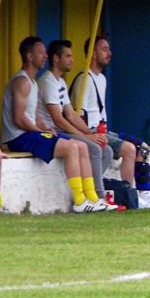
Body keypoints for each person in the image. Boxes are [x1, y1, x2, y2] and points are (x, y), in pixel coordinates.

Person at [1, 36, 108, 213]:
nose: (45, 56)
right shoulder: (21, 81)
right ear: (29, 57)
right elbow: (19, 119)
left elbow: (33, 114)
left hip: (30, 133)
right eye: (41, 53)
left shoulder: (33, 82)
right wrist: (39, 130)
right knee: (72, 148)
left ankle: (93, 198)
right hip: (18, 136)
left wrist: (44, 128)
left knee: (81, 146)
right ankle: (80, 201)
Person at [71, 34, 150, 208]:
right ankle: (129, 193)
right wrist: (90, 134)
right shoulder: (83, 79)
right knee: (129, 150)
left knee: (143, 147)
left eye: (109, 49)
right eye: (104, 49)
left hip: (105, 130)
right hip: (93, 131)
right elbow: (78, 114)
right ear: (93, 54)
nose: (109, 53)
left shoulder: (102, 78)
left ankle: (144, 193)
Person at [37, 40, 118, 210]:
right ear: (55, 58)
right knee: (94, 148)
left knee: (107, 150)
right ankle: (96, 197)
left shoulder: (60, 82)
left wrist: (91, 132)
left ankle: (91, 192)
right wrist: (87, 137)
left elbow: (71, 114)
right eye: (67, 56)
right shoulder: (48, 82)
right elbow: (58, 120)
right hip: (52, 132)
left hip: (63, 129)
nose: (72, 60)